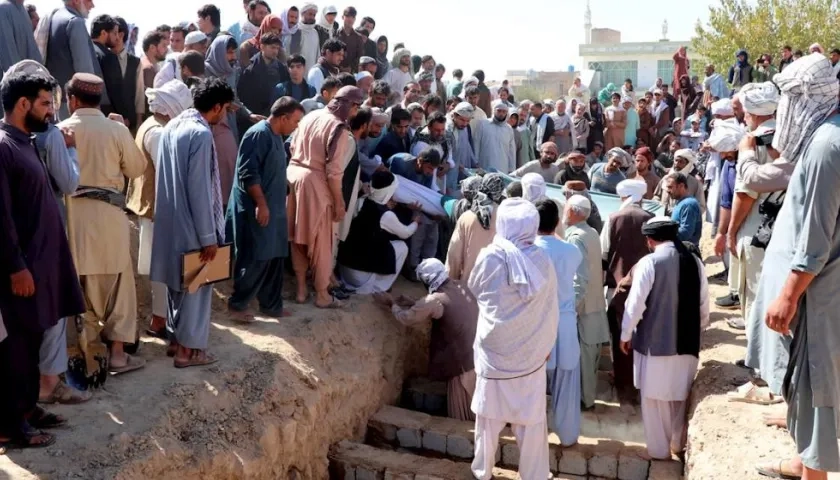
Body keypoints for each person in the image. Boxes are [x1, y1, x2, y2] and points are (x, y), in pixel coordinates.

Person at [746, 53, 840, 480]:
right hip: (818, 288)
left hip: (817, 294)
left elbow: (816, 235)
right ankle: (803, 460)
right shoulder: (825, 137)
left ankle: (812, 471)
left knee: (815, 384)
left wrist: (788, 295)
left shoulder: (826, 146)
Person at [0, 71, 85, 448]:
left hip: (41, 265)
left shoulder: (26, 142)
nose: (52, 112)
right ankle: (10, 424)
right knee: (16, 347)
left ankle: (28, 408)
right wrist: (16, 267)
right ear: (23, 105)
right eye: (46, 103)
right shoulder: (3, 147)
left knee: (33, 341)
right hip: (22, 271)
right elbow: (0, 217)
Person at [59, 73, 147, 375]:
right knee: (119, 287)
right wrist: (122, 130)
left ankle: (84, 354)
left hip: (73, 222)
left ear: (71, 100)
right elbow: (137, 168)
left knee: (78, 286)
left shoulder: (59, 130)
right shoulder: (115, 129)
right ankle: (118, 355)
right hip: (110, 220)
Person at [468, 197, 559, 480]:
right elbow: (550, 308)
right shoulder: (543, 259)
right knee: (531, 423)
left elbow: (475, 290)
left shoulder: (490, 256)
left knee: (487, 421)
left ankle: (482, 472)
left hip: (493, 353)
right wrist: (544, 344)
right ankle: (534, 475)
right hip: (530, 355)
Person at [151, 77, 234, 368]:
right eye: (225, 108)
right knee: (197, 288)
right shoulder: (200, 134)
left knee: (178, 288)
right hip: (193, 226)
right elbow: (200, 189)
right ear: (217, 107)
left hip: (170, 224)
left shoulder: (172, 126)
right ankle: (189, 352)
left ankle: (176, 343)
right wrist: (208, 236)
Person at [620, 217, 708, 460]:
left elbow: (634, 304)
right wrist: (696, 331)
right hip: (688, 345)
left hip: (655, 346)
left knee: (654, 402)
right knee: (679, 398)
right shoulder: (696, 262)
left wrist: (625, 334)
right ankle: (677, 444)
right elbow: (704, 306)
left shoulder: (650, 262)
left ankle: (659, 453)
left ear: (650, 239)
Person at [126, 80, 193, 341]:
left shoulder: (150, 125)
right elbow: (167, 175)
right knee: (162, 268)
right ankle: (160, 320)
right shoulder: (159, 133)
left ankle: (162, 318)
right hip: (159, 210)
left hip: (152, 207)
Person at [226, 97, 303, 321]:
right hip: (258, 208)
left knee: (275, 257)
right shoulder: (258, 134)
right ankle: (238, 305)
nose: (296, 126)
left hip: (276, 207)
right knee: (256, 257)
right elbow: (249, 174)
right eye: (295, 121)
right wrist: (261, 204)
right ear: (283, 118)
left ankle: (271, 305)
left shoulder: (278, 136)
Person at [376, 258, 479, 421]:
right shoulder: (461, 286)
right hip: (477, 357)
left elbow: (407, 318)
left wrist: (391, 304)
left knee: (462, 417)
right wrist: (414, 302)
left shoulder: (434, 300)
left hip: (461, 365)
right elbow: (434, 310)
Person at [287, 85, 359, 308]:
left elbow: (291, 147)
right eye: (356, 108)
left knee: (297, 237)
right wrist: (339, 202)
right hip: (316, 184)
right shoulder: (339, 128)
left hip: (293, 177)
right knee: (322, 243)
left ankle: (300, 291)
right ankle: (321, 295)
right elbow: (334, 172)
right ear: (351, 106)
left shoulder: (311, 116)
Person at [726, 81, 779, 333]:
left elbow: (745, 194)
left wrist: (731, 230)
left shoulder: (752, 141)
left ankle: (757, 354)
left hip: (757, 227)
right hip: (785, 225)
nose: (745, 117)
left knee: (756, 289)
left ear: (754, 114)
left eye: (746, 113)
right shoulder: (790, 136)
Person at [534, 198, 582, 446]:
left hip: (536, 323)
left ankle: (533, 435)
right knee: (567, 380)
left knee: (533, 383)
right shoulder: (571, 251)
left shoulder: (528, 249)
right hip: (563, 321)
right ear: (556, 222)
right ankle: (567, 435)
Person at [601, 179, 653, 405]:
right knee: (642, 333)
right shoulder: (650, 219)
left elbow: (604, 253)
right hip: (647, 286)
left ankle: (622, 384)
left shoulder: (613, 218)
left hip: (617, 287)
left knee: (619, 334)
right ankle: (640, 382)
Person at [563, 194, 608, 410]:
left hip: (583, 308)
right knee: (591, 360)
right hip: (595, 304)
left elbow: (578, 278)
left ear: (573, 212)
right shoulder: (591, 233)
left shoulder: (575, 237)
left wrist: (571, 308)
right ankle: (587, 400)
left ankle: (585, 403)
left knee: (584, 360)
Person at [338, 170, 417, 293]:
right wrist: (415, 222)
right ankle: (379, 287)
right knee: (401, 247)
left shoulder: (360, 201)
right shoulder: (386, 215)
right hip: (361, 276)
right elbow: (406, 233)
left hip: (346, 271)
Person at [44, 0, 102, 120]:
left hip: (53, 102)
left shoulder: (53, 18)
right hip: (75, 107)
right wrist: (94, 106)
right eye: (88, 0)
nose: (92, 5)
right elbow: (85, 72)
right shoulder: (76, 22)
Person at [446, 173, 506, 282]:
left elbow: (454, 255)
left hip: (469, 284)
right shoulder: (506, 217)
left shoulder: (468, 216)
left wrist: (451, 281)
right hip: (494, 285)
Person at [238, 33, 289, 118]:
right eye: (272, 47)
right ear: (262, 47)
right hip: (255, 116)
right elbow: (243, 96)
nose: (275, 51)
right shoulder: (250, 69)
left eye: (277, 48)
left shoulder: (281, 70)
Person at [654, 148, 706, 215]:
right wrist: (660, 206)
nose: (677, 164)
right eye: (676, 160)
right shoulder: (665, 178)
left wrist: (685, 211)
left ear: (687, 165)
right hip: (663, 218)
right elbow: (656, 196)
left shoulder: (695, 183)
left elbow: (701, 207)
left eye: (681, 162)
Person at [0, 0, 42, 80]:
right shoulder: (3, 10)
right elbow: (8, 53)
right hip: (15, 83)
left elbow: (32, 48)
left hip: (27, 79)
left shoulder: (23, 11)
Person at [475, 100, 516, 173]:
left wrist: (511, 169)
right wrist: (475, 162)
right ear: (494, 111)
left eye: (504, 112)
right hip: (485, 166)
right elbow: (476, 144)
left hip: (503, 168)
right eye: (499, 111)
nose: (501, 114)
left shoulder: (509, 129)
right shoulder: (483, 124)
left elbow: (511, 152)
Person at [666, 172, 702, 247]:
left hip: (685, 252)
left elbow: (685, 232)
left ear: (681, 186)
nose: (667, 190)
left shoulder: (688, 204)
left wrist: (664, 235)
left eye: (670, 187)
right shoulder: (680, 202)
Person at [140, 31, 168, 116]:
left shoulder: (148, 65)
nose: (166, 49)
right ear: (152, 48)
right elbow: (149, 101)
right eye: (164, 46)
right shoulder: (149, 69)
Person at [293, 4, 320, 76]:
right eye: (310, 14)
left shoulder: (315, 32)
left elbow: (318, 54)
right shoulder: (295, 30)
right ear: (302, 14)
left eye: (314, 15)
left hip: (312, 71)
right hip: (298, 72)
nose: (312, 17)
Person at [336, 7, 363, 73]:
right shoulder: (335, 34)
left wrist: (351, 67)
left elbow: (359, 56)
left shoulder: (358, 37)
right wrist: (339, 67)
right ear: (343, 17)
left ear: (355, 19)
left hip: (351, 74)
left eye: (353, 17)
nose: (350, 19)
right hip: (336, 72)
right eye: (348, 16)